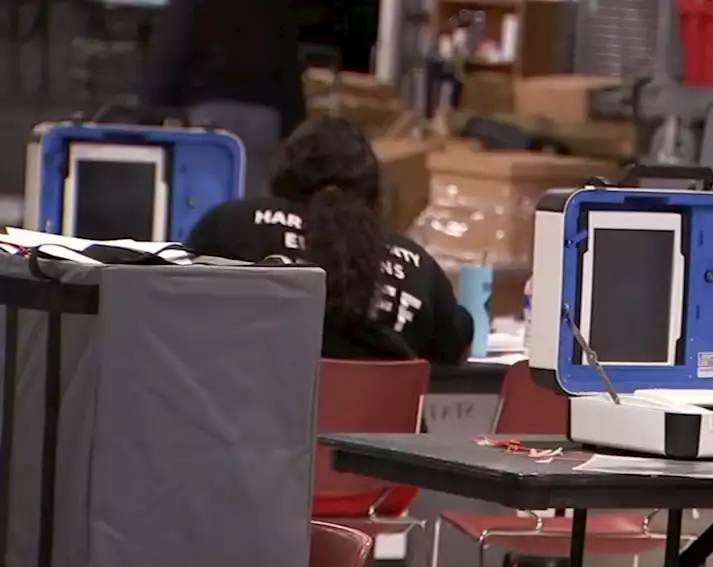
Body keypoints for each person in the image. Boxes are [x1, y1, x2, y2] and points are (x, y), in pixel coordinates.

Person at [186, 117, 473, 363]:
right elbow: (456, 347)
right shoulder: (417, 265)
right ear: (374, 191)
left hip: (251, 422)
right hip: (377, 425)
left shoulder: (230, 225)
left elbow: (177, 315)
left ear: (281, 175)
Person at [140, 0, 305, 194]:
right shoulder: (274, 5)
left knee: (202, 202)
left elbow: (169, 56)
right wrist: (295, 128)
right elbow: (289, 68)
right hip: (264, 118)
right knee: (253, 204)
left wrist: (150, 112)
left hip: (208, 114)